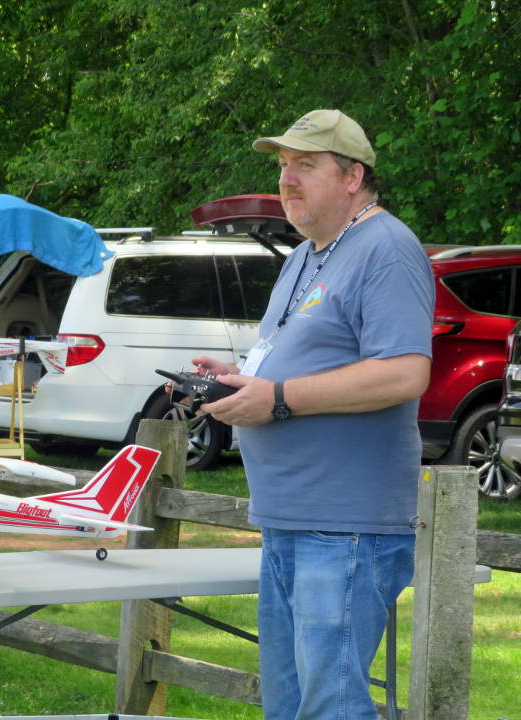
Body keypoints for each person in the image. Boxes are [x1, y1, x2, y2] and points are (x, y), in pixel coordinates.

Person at [192, 109, 434, 720]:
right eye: (282, 165)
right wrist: (235, 379)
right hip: (289, 518)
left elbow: (405, 373)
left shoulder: (387, 248)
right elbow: (296, 361)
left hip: (345, 526)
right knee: (290, 706)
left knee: (331, 708)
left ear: (353, 177)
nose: (287, 179)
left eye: (305, 165)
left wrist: (277, 398)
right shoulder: (305, 254)